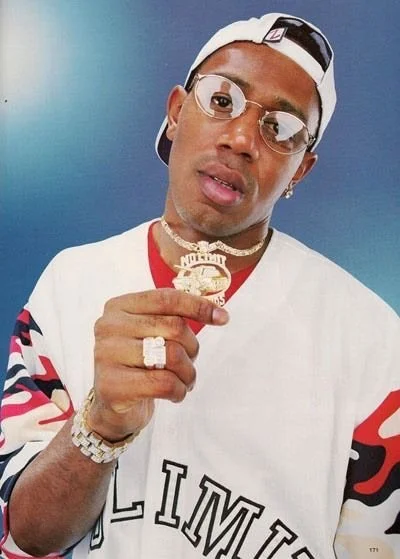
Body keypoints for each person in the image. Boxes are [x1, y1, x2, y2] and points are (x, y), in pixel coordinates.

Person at [0, 12, 398, 559]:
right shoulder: (70, 285)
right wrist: (100, 425)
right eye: (221, 100)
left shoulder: (371, 340)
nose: (241, 139)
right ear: (175, 112)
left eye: (281, 129)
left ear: (300, 170)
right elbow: (24, 535)